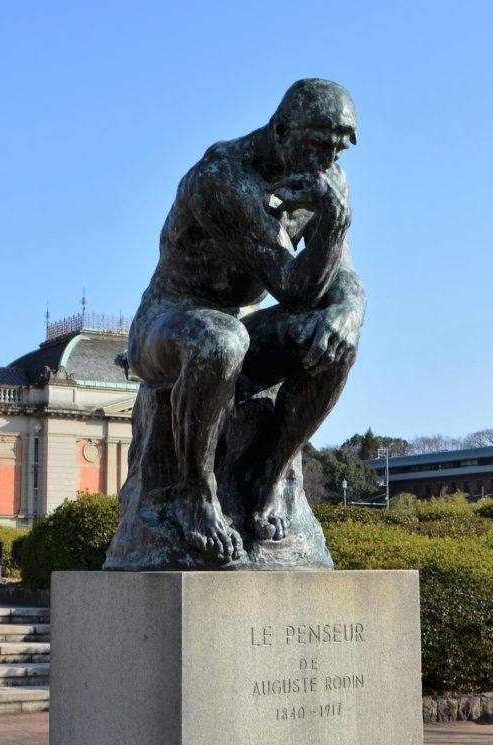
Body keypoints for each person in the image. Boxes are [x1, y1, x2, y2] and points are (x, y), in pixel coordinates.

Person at [127, 78, 365, 564]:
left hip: (240, 327)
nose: (329, 161)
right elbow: (294, 288)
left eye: (339, 151)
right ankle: (194, 493)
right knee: (222, 342)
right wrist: (334, 218)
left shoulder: (326, 182)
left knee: (336, 338)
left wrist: (349, 314)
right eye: (318, 145)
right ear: (281, 130)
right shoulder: (223, 177)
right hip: (168, 322)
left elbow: (342, 281)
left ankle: (268, 475)